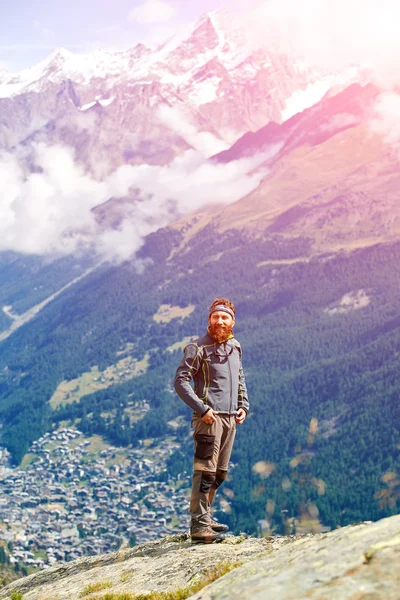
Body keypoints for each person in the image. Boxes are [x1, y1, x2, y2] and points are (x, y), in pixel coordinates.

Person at [174, 297, 249, 543]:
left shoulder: (235, 346)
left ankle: (206, 518)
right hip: (208, 419)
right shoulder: (197, 348)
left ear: (232, 321)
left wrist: (243, 406)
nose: (219, 321)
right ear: (209, 320)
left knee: (219, 473)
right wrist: (202, 408)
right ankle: (199, 527)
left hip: (230, 419)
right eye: (215, 317)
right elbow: (181, 381)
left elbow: (239, 379)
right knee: (204, 472)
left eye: (224, 317)